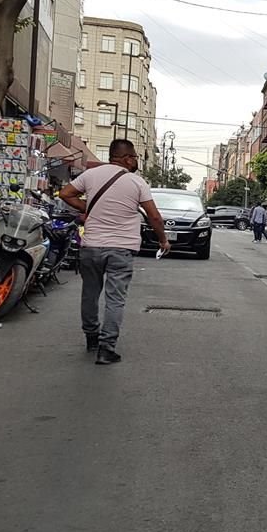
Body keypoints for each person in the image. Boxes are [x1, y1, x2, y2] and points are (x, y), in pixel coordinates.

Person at [60, 139, 170, 365]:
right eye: (135, 157)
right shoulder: (136, 182)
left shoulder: (90, 175)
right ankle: (106, 347)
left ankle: (92, 337)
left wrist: (87, 207)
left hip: (91, 246)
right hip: (122, 248)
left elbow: (65, 193)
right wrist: (163, 240)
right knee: (115, 298)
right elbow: (154, 217)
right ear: (127, 158)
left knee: (90, 293)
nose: (136, 161)